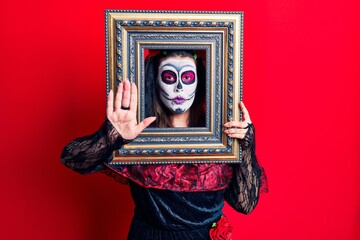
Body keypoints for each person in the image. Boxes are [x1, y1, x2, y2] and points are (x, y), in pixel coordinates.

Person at [61, 50, 267, 240]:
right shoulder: (137, 131)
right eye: (169, 77)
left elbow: (245, 204)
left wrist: (247, 146)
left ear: (200, 82)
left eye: (187, 78)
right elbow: (72, 159)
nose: (178, 87)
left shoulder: (220, 133)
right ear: (155, 82)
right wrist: (111, 135)